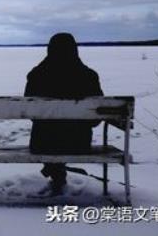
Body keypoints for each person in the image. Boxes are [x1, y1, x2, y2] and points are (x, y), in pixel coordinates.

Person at [24, 32, 103, 194]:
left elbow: (31, 113)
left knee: (49, 133)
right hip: (78, 144)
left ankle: (55, 173)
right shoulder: (89, 76)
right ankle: (57, 174)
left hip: (42, 144)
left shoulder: (36, 75)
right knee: (63, 135)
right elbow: (96, 118)